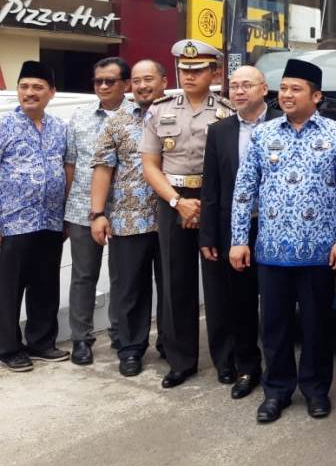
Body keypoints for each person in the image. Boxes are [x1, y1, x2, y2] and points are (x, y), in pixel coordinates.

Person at [230, 58, 336, 424]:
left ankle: (316, 390)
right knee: (274, 326)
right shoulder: (264, 134)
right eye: (283, 88)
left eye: (295, 89)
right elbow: (245, 190)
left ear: (316, 96)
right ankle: (277, 391)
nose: (286, 95)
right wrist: (239, 239)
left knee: (317, 326)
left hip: (320, 251)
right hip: (271, 250)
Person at [141, 40, 233, 389]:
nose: (189, 75)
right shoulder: (159, 110)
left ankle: (226, 358)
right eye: (184, 69)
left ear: (214, 72)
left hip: (214, 202)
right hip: (172, 200)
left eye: (197, 70)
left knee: (218, 283)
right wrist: (178, 201)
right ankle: (181, 361)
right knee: (176, 281)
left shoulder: (226, 112)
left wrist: (203, 205)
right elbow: (149, 164)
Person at [200, 65, 278, 398]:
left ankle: (280, 372)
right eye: (233, 85)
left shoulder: (282, 124)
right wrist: (208, 236)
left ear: (264, 89)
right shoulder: (220, 131)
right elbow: (211, 188)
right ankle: (248, 368)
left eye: (247, 84)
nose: (239, 91)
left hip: (276, 225)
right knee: (241, 303)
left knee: (276, 304)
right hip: (236, 229)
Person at [90, 59, 168, 377]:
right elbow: (103, 167)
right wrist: (97, 214)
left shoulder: (175, 115)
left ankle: (171, 343)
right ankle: (132, 349)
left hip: (170, 219)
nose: (142, 85)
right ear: (129, 85)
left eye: (148, 79)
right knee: (131, 289)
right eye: (136, 80)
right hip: (128, 219)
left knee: (172, 287)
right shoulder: (117, 122)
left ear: (163, 81)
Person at [0, 61, 70, 371]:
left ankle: (41, 341)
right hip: (13, 221)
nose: (30, 93)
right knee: (8, 286)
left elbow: (67, 169)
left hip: (51, 220)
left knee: (45, 282)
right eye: (25, 86)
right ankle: (7, 347)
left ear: (51, 93)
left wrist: (66, 213)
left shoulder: (59, 128)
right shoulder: (3, 126)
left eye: (38, 87)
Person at [64, 57, 133, 365]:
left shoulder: (140, 116)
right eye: (98, 81)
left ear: (126, 85)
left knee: (123, 277)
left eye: (110, 81)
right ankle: (81, 339)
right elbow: (70, 166)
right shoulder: (78, 118)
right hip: (82, 209)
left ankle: (122, 334)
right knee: (83, 276)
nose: (103, 86)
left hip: (127, 211)